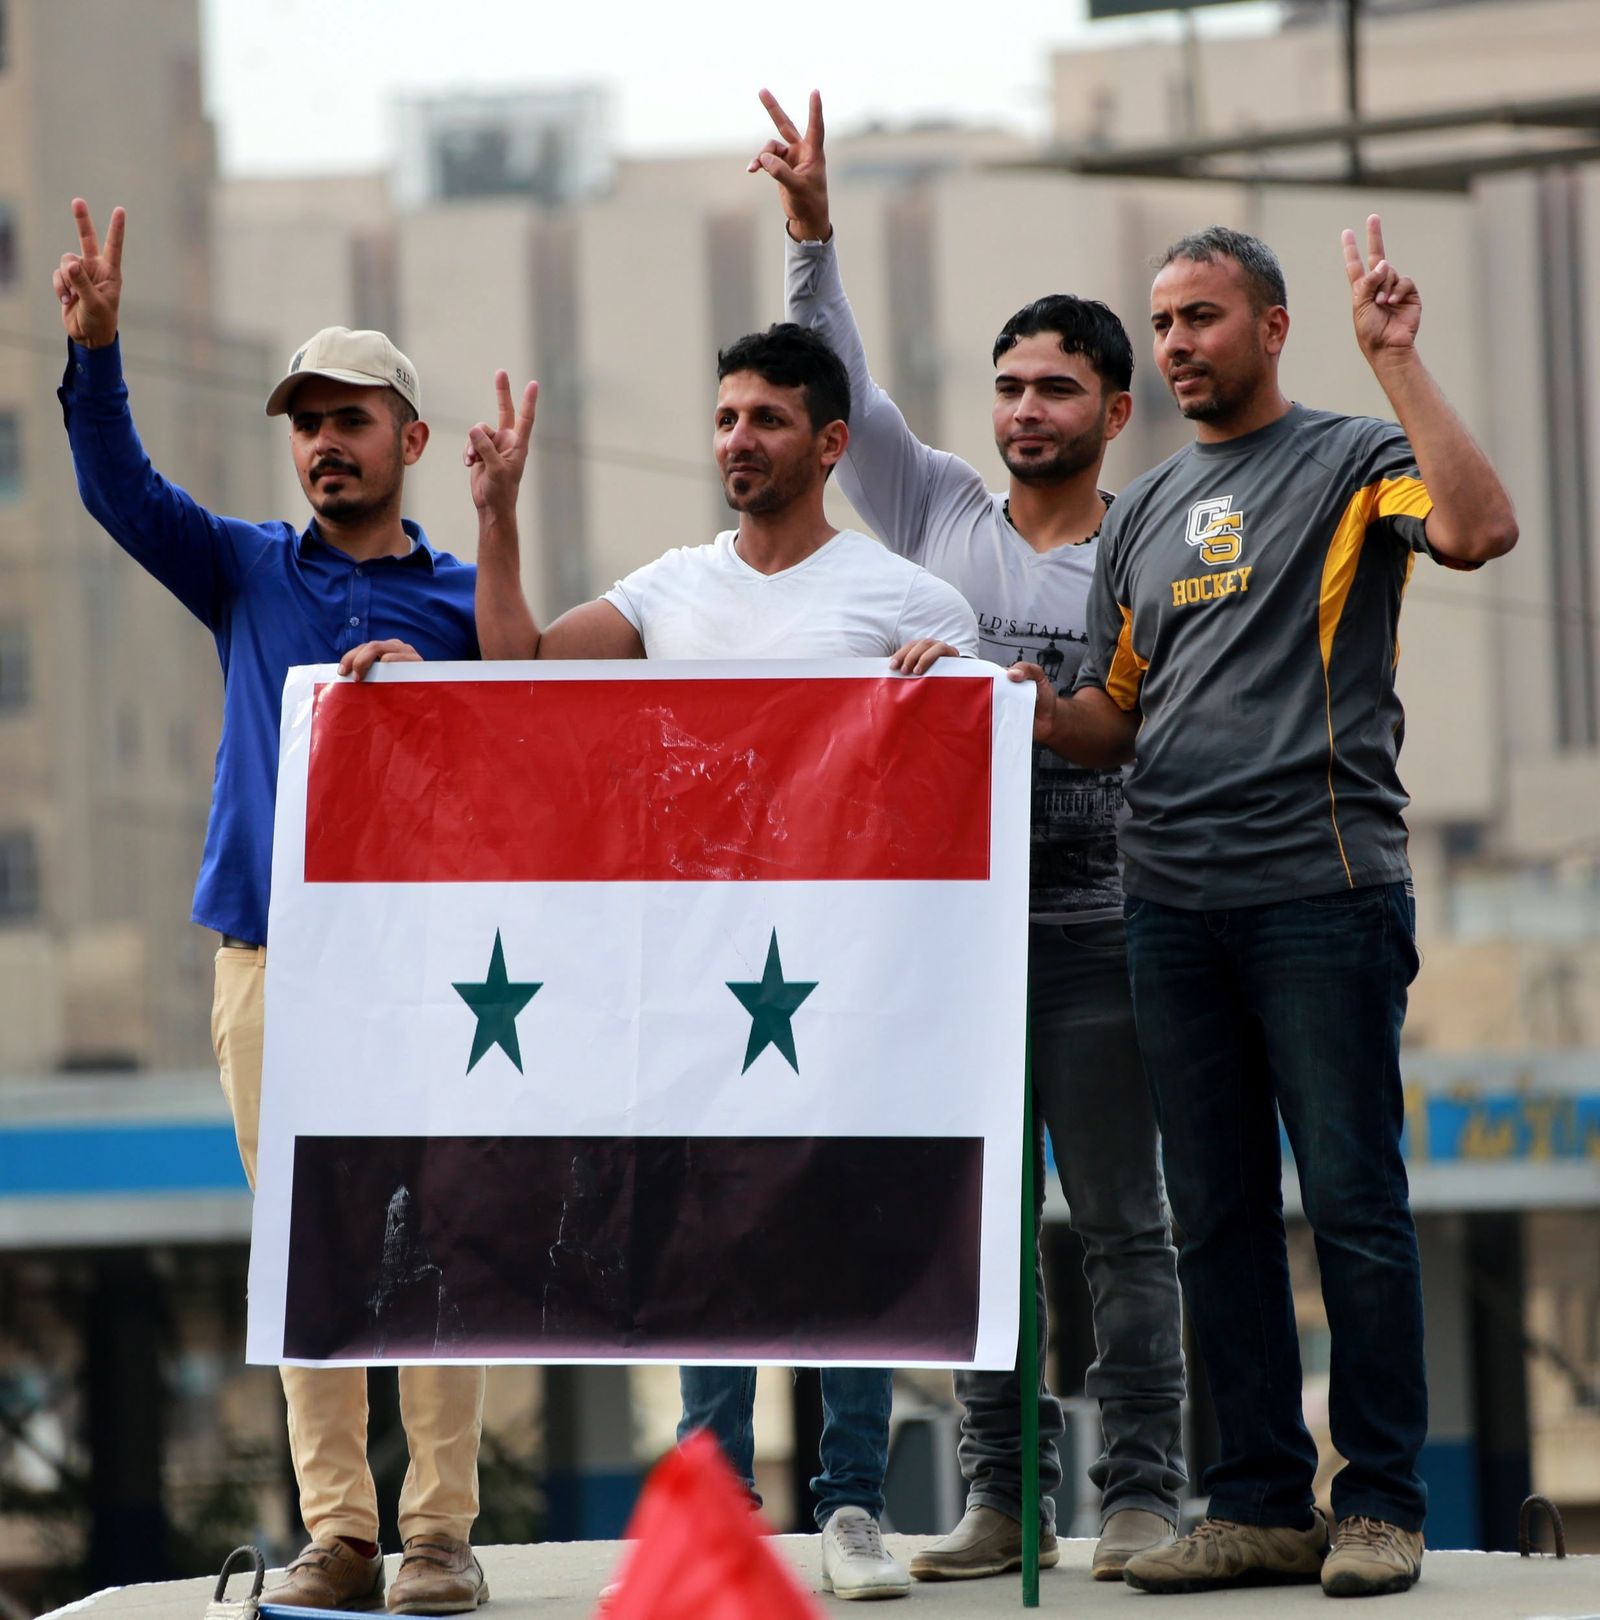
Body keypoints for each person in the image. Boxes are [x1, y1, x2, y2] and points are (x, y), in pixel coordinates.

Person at [1012, 219, 1517, 1599]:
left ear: (1272, 328)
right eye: (1163, 323)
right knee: (1214, 1217)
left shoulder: (1355, 460)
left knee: (1352, 1203)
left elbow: (1479, 527)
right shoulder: (1147, 514)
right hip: (1166, 908)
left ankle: (1381, 1508)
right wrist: (1000, 706)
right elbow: (1114, 718)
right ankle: (1253, 1506)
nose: (1176, 343)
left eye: (1203, 319)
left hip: (1322, 892)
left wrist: (1400, 360)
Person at [749, 89, 1185, 1583]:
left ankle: (1140, 1498)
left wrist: (1038, 705)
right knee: (975, 1229)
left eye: (1056, 389)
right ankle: (1004, 1500)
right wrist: (812, 234)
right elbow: (846, 391)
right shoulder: (933, 511)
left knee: (1125, 1231)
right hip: (954, 952)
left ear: (1114, 412)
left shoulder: (1157, 541)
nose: (1023, 411)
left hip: (1110, 937)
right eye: (1008, 386)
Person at [469, 323, 978, 1601]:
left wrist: (954, 683)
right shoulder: (669, 589)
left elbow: (977, 756)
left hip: (847, 973)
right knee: (702, 1227)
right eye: (723, 419)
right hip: (697, 974)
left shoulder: (907, 599)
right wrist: (497, 514)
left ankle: (854, 1509)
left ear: (829, 442)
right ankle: (715, 1507)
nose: (735, 442)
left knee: (841, 1223)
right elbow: (517, 671)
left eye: (763, 419)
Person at [55, 199, 490, 1616]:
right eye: (305, 420)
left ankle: (438, 1537)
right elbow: (121, 493)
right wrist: (97, 350)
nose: (323, 442)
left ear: (407, 440)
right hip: (271, 958)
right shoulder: (245, 569)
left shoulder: (474, 607)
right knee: (311, 1243)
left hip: (430, 972)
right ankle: (342, 1536)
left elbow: (569, 734)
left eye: (351, 417)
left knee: (435, 1240)